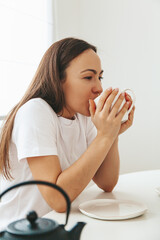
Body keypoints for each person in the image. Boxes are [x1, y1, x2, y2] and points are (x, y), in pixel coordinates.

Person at [0, 37, 135, 229]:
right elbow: (58, 198)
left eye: (100, 77)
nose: (99, 88)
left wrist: (111, 134)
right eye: (88, 77)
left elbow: (106, 182)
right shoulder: (35, 112)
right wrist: (104, 136)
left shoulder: (82, 116)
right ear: (58, 79)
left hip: (54, 225)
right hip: (19, 232)